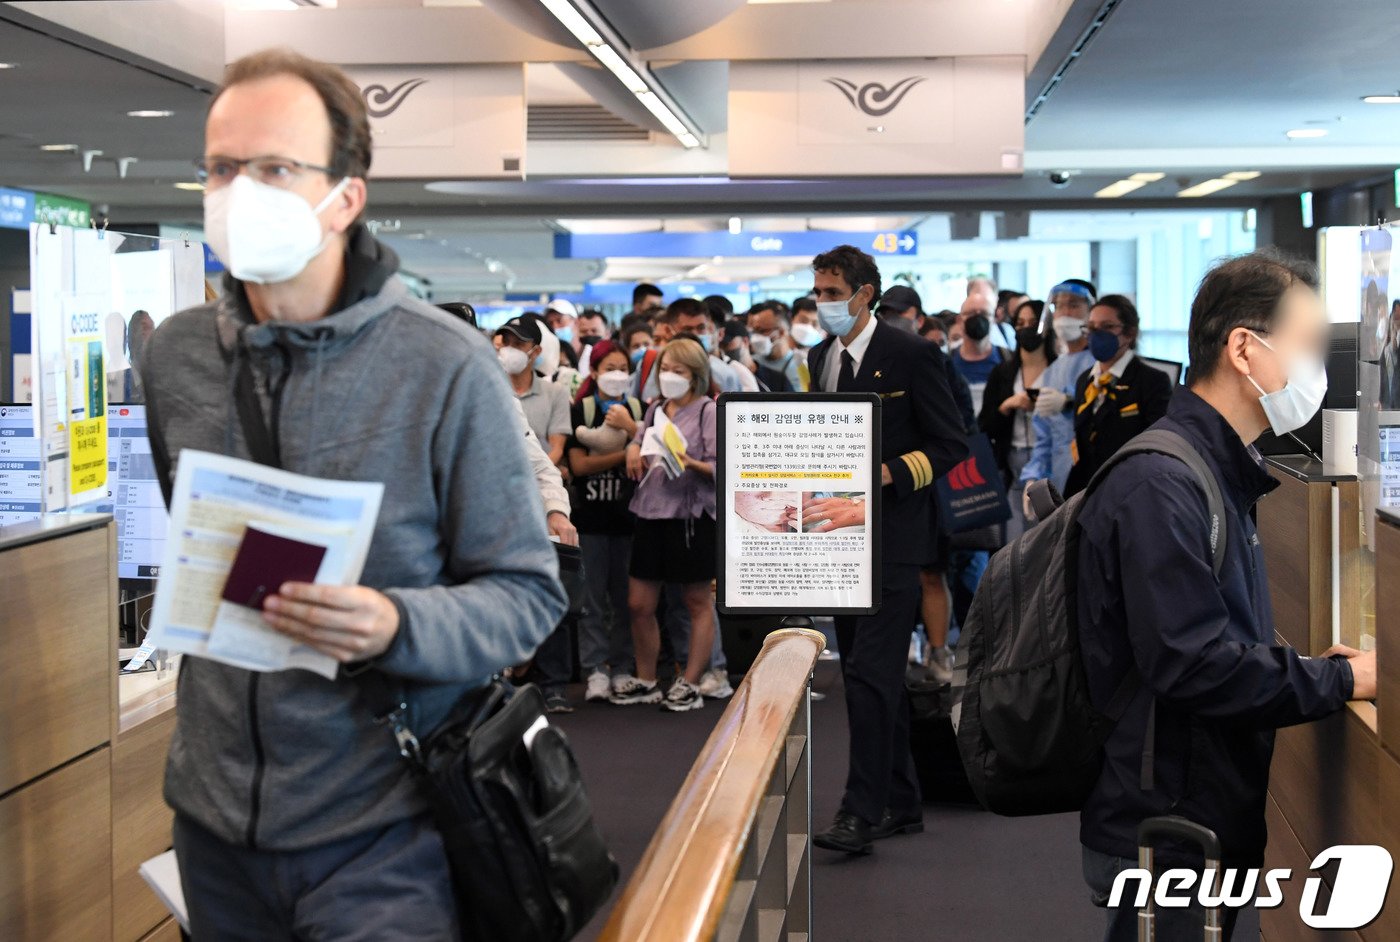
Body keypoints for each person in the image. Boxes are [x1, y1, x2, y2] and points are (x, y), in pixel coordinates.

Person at [140, 48, 566, 938]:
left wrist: (396, 626)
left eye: (274, 168)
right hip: (213, 827)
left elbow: (528, 594)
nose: (238, 190)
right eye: (221, 168)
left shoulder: (445, 367)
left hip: (385, 829)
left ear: (346, 196)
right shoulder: (178, 359)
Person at [1077, 251, 1376, 941]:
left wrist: (1309, 667)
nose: (1315, 370)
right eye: (1305, 346)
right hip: (1169, 820)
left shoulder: (1212, 470)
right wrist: (1340, 678)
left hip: (1190, 807)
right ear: (1245, 348)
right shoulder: (1164, 482)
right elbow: (1192, 662)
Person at [803, 244, 968, 855]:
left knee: (871, 677)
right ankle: (901, 800)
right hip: (839, 538)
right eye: (817, 293)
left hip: (896, 538)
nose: (822, 304)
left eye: (831, 293)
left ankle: (861, 810)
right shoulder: (821, 357)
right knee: (867, 676)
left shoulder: (913, 354)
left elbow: (951, 444)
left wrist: (885, 474)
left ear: (864, 292)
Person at [616, 338, 719, 713]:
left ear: (696, 375)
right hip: (649, 512)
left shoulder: (708, 410)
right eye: (665, 370)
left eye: (679, 371)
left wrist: (689, 462)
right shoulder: (657, 408)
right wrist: (632, 449)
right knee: (639, 603)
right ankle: (646, 679)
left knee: (695, 600)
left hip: (691, 517)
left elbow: (722, 468)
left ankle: (690, 682)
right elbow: (641, 441)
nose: (669, 377)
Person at [567, 340, 643, 703]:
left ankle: (623, 667)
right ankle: (595, 668)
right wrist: (623, 452)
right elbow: (579, 466)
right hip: (590, 520)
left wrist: (633, 434)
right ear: (594, 371)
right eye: (608, 367)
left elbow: (646, 455)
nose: (616, 375)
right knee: (592, 600)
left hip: (627, 519)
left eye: (622, 368)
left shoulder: (636, 409)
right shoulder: (580, 409)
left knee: (626, 599)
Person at [1063, 294, 1174, 497]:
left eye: (1107, 327)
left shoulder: (1152, 381)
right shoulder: (1085, 381)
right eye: (1092, 327)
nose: (1097, 334)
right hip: (1087, 492)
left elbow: (1157, 446)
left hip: (1131, 491)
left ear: (1129, 333)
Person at [980, 299, 1055, 541]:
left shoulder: (1061, 369)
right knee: (1014, 540)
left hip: (1052, 458)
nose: (1026, 328)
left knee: (1048, 536)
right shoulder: (1003, 372)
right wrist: (1007, 405)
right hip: (1012, 460)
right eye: (1020, 323)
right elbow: (984, 424)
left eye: (1033, 323)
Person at [1021, 280, 1098, 494]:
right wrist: (1034, 477)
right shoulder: (1054, 371)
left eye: (1073, 305)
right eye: (1059, 306)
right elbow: (1044, 436)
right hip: (1059, 477)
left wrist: (1070, 401)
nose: (1064, 313)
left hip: (1093, 478)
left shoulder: (1099, 363)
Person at [494, 315, 572, 468]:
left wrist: (533, 477)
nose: (509, 349)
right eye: (506, 342)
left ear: (535, 351)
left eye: (518, 344)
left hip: (540, 483)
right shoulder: (492, 391)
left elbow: (556, 448)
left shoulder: (555, 393)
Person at [950, 296, 1003, 414]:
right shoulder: (948, 361)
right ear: (959, 320)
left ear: (993, 319)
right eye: (971, 313)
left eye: (984, 313)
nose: (978, 318)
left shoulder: (1007, 358)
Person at [748, 301, 808, 392]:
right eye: (754, 331)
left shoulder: (803, 363)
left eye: (762, 331)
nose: (756, 337)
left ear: (781, 332)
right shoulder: (752, 364)